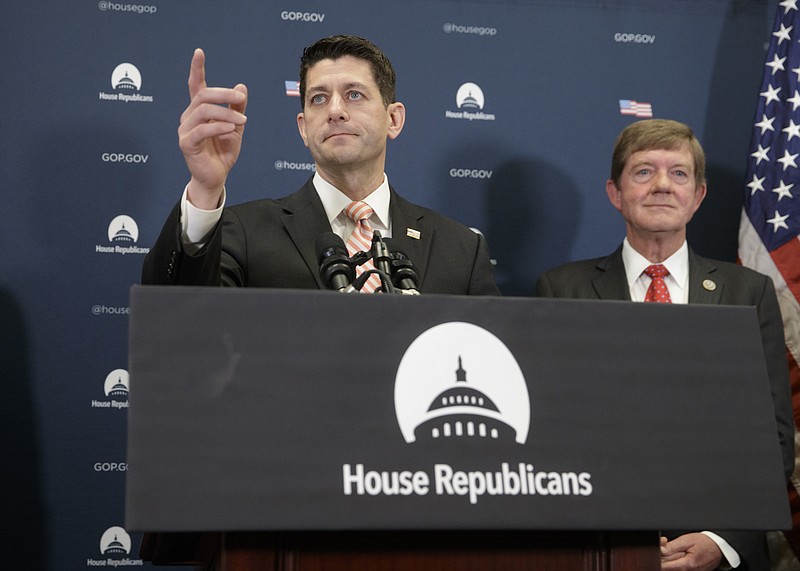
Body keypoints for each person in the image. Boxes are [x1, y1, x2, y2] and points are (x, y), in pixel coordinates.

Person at [535, 119, 793, 571]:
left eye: (678, 173)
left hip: (719, 553)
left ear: (698, 196)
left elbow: (771, 439)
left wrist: (721, 539)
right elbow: (549, 436)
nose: (662, 186)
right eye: (643, 172)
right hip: (599, 546)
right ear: (615, 193)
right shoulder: (563, 289)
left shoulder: (748, 293)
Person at [141, 35, 499, 295]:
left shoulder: (461, 250)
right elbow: (179, 319)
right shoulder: (243, 233)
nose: (335, 110)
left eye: (354, 95)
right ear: (303, 128)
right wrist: (205, 190)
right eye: (318, 98)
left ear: (394, 119)